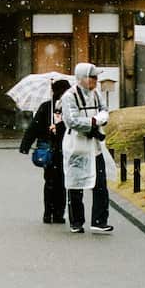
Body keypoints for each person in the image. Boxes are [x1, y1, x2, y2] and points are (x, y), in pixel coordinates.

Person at [59, 62, 114, 234]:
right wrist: (93, 121)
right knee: (75, 185)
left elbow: (104, 110)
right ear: (82, 78)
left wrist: (102, 117)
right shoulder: (69, 96)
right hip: (76, 145)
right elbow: (71, 121)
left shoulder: (96, 94)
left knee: (100, 184)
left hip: (94, 146)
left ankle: (99, 220)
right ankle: (76, 221)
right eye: (93, 77)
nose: (96, 80)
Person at [19, 78, 70, 224]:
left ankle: (49, 213)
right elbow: (34, 127)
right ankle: (57, 214)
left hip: (49, 148)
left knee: (50, 182)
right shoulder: (59, 107)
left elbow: (33, 127)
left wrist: (25, 145)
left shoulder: (46, 106)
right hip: (60, 148)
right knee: (60, 183)